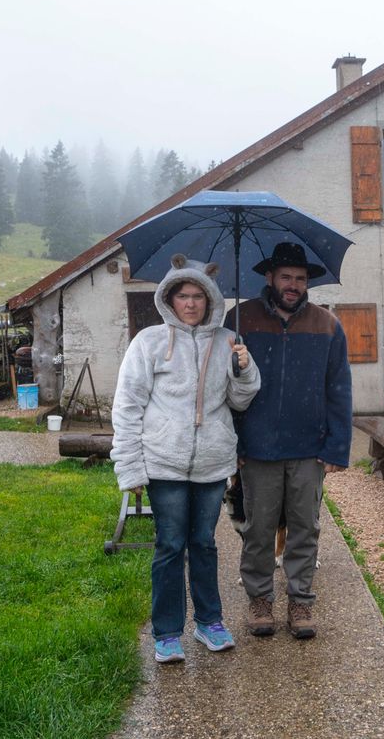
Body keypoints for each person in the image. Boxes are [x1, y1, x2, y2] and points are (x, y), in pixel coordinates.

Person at [112, 254, 260, 664]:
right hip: (164, 462)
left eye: (198, 296)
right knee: (170, 546)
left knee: (205, 544)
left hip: (212, 464)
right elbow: (127, 407)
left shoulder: (228, 341)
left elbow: (240, 401)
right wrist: (130, 467)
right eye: (183, 296)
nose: (191, 303)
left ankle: (209, 622)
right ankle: (167, 632)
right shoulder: (149, 343)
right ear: (170, 299)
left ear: (210, 299)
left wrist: (244, 371)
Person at [225, 241, 352, 639]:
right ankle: (260, 600)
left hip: (309, 449)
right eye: (286, 277)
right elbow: (222, 388)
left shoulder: (327, 325)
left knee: (304, 528)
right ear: (270, 278)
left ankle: (300, 602)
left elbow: (339, 389)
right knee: (258, 530)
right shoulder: (239, 320)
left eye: (300, 278)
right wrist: (234, 446)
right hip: (256, 448)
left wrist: (336, 447)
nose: (293, 285)